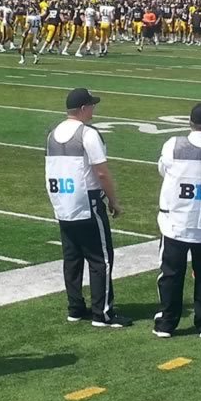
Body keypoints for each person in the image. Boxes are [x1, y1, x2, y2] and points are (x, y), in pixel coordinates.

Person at [46, 87, 130, 327]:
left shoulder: (52, 133)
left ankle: (75, 307)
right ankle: (102, 313)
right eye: (91, 105)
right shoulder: (88, 134)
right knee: (100, 258)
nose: (94, 109)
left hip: (63, 201)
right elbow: (101, 172)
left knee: (72, 257)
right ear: (83, 109)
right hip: (88, 201)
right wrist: (113, 201)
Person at [153, 103, 201, 339]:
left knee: (171, 274)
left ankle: (168, 322)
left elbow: (163, 170)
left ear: (190, 122)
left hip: (177, 222)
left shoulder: (173, 145)